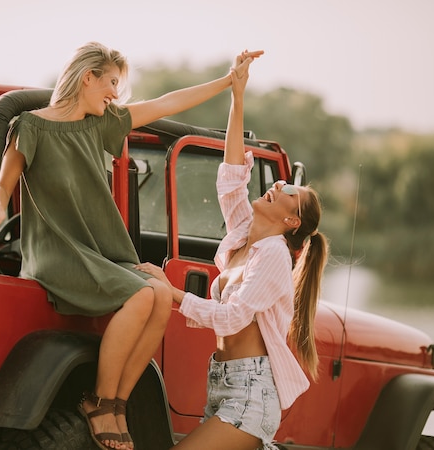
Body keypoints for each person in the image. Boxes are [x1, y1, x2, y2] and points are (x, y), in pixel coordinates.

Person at [0, 42, 264, 450]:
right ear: (86, 76)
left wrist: (230, 82)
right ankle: (99, 400)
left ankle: (117, 404)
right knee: (144, 295)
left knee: (161, 295)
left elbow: (166, 103)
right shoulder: (30, 126)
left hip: (101, 249)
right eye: (110, 82)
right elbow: (5, 180)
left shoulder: (103, 123)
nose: (115, 93)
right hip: (56, 252)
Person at [135, 51, 329, 450]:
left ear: (292, 221)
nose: (277, 185)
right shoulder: (243, 236)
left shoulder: (275, 255)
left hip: (251, 393)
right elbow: (231, 178)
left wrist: (170, 291)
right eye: (282, 183)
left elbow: (233, 316)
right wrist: (237, 96)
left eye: (288, 191)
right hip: (223, 383)